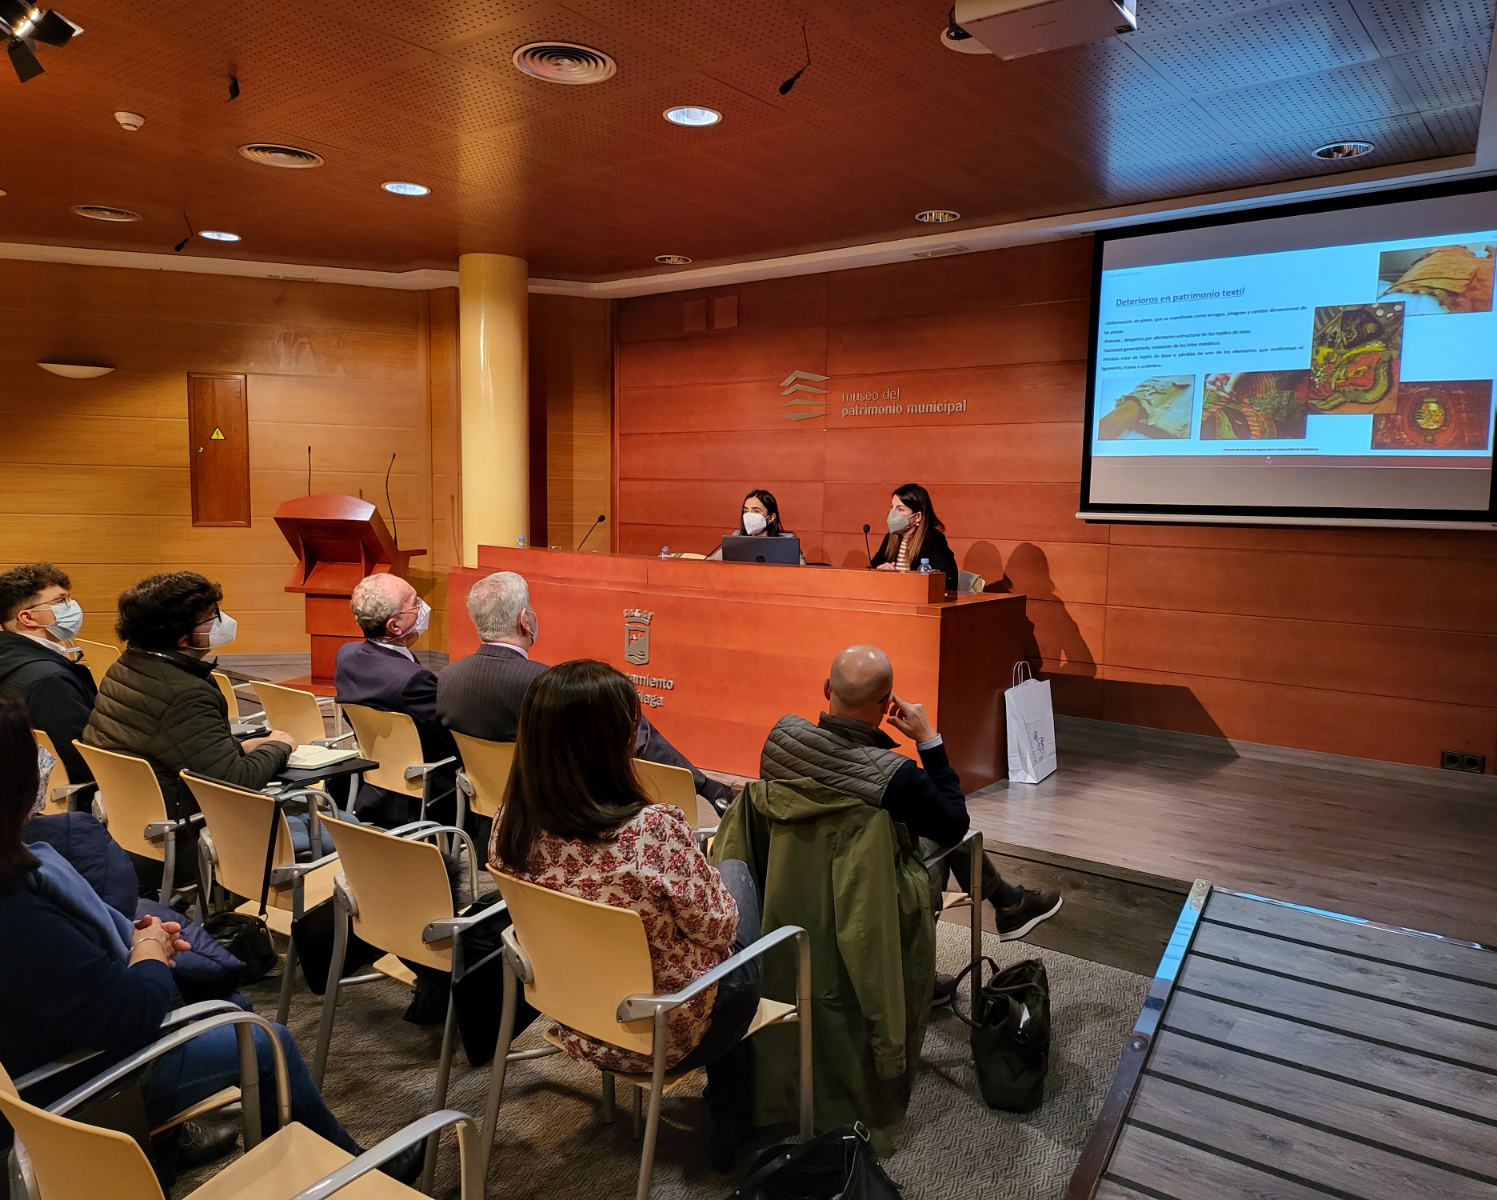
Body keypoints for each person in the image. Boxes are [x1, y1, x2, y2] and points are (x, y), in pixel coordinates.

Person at [0, 699, 422, 1185]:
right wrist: (149, 950)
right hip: (76, 1085)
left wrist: (141, 943)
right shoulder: (16, 913)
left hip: (41, 1056)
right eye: (31, 757)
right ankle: (351, 1174)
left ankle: (175, 1142)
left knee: (227, 1007)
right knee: (265, 1041)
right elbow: (131, 1015)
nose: (44, 767)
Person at [489, 659, 760, 1170]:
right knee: (737, 879)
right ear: (617, 738)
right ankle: (735, 1115)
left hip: (574, 1016)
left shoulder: (510, 822)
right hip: (664, 1033)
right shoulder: (652, 831)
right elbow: (719, 931)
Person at [760, 645, 1061, 948]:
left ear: (827, 688)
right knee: (943, 825)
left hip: (791, 880)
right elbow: (955, 825)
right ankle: (1005, 904)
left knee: (923, 814)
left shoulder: (780, 739)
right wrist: (929, 740)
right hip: (872, 895)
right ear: (886, 704)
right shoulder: (897, 776)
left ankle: (1008, 900)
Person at [438, 571, 732, 808]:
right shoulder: (545, 683)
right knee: (623, 719)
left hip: (486, 808)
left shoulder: (448, 677)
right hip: (554, 810)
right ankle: (707, 789)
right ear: (524, 620)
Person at [83, 572, 297, 822]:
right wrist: (278, 745)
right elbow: (236, 783)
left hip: (135, 818)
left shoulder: (127, 665)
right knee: (324, 822)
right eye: (212, 616)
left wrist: (239, 748)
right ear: (183, 639)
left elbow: (173, 744)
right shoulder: (186, 694)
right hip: (192, 827)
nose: (222, 621)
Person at [335, 573, 458, 827]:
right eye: (415, 602)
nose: (422, 606)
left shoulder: (346, 656)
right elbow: (448, 740)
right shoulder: (411, 680)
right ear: (395, 626)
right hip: (424, 792)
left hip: (374, 779)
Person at [0, 563, 98, 783]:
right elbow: (85, 760)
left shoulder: (8, 657)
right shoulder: (51, 681)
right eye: (60, 601)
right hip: (70, 793)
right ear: (28, 617)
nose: (72, 606)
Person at [870, 483, 959, 591]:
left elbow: (949, 581)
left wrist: (904, 578)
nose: (892, 513)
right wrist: (880, 571)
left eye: (900, 509)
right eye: (892, 507)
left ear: (917, 516)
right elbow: (870, 570)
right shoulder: (890, 537)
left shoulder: (933, 539)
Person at [706, 488, 804, 563]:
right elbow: (709, 563)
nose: (749, 516)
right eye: (746, 511)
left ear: (771, 517)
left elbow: (803, 571)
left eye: (756, 511)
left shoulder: (787, 541)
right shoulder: (738, 538)